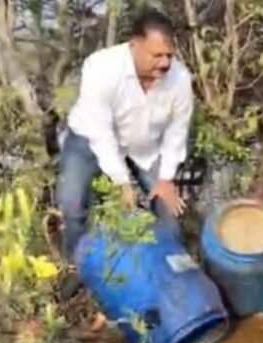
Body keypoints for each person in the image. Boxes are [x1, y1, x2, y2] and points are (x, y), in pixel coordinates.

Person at [56, 9, 193, 296]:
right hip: (90, 140)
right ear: (134, 45)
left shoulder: (180, 79)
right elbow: (101, 132)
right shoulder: (101, 67)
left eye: (169, 55)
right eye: (156, 55)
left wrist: (166, 178)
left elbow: (176, 132)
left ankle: (170, 277)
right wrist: (122, 182)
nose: (165, 63)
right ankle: (77, 268)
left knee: (168, 209)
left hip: (145, 147)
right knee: (71, 202)